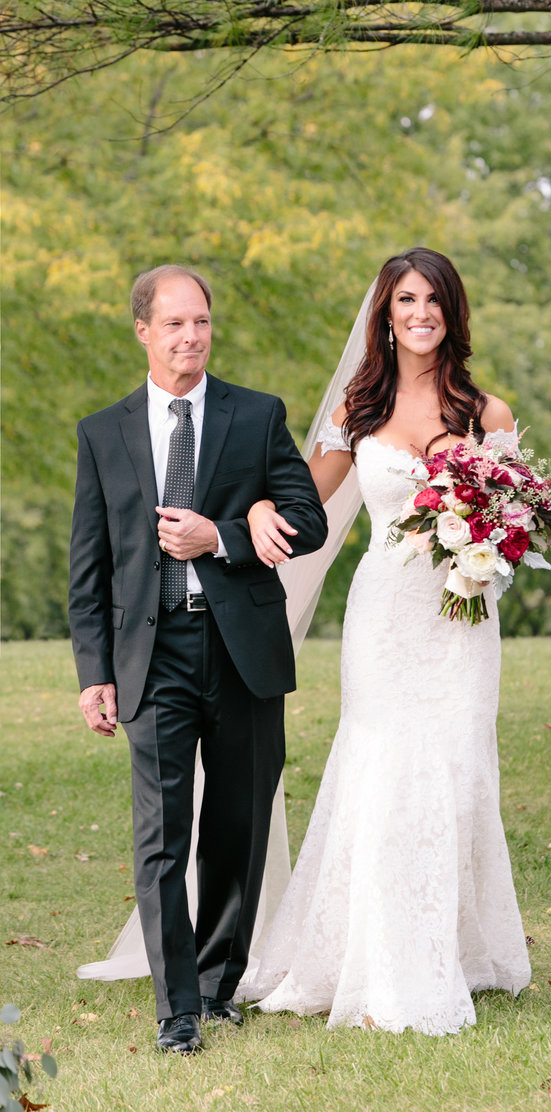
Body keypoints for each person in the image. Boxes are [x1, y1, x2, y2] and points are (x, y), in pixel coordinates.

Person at [239, 247, 532, 1034]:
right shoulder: (357, 411)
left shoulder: (486, 415)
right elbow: (303, 501)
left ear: (453, 312)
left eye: (433, 299)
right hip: (383, 617)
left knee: (456, 769)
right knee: (384, 765)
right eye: (406, 299)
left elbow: (516, 527)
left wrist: (488, 549)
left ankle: (452, 951)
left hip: (461, 621)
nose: (420, 312)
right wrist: (261, 512)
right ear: (387, 314)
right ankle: (371, 955)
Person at [68, 264, 327, 1054]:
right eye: (175, 323)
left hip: (240, 646)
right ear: (143, 330)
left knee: (238, 828)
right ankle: (176, 1010)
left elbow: (308, 520)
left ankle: (219, 987)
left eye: (202, 322)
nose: (191, 337)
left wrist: (221, 537)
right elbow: (89, 565)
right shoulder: (103, 432)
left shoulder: (256, 416)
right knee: (161, 834)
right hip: (152, 655)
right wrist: (94, 673)